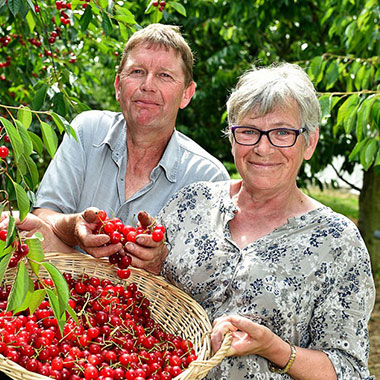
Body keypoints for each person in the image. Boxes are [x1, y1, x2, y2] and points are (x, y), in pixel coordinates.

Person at [124, 63, 376, 379]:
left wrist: (274, 348)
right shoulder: (192, 203)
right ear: (231, 138)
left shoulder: (337, 241)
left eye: (283, 132)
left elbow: (348, 370)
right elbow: (141, 295)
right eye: (248, 131)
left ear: (309, 142)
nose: (263, 147)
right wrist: (149, 261)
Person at [32, 23, 229, 258]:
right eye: (137, 72)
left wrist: (161, 262)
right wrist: (74, 227)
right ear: (118, 86)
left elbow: (204, 278)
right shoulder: (87, 132)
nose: (148, 85)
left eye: (164, 76)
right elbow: (42, 217)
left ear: (186, 94)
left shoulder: (208, 179)